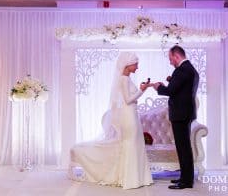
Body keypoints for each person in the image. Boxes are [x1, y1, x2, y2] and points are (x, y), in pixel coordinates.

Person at [69, 52, 153, 189]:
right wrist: (142, 90)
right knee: (130, 144)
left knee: (134, 144)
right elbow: (128, 99)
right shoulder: (124, 79)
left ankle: (136, 178)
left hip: (132, 114)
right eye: (136, 64)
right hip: (129, 116)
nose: (137, 67)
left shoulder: (126, 78)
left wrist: (143, 88)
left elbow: (131, 97)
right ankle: (130, 179)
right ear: (128, 64)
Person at [153, 45, 199, 189]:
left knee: (183, 148)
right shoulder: (189, 69)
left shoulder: (182, 70)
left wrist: (158, 87)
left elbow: (170, 91)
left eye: (170, 58)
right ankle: (185, 178)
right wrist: (171, 80)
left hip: (181, 114)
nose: (170, 61)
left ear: (176, 56)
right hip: (185, 112)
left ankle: (186, 181)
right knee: (183, 147)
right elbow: (181, 88)